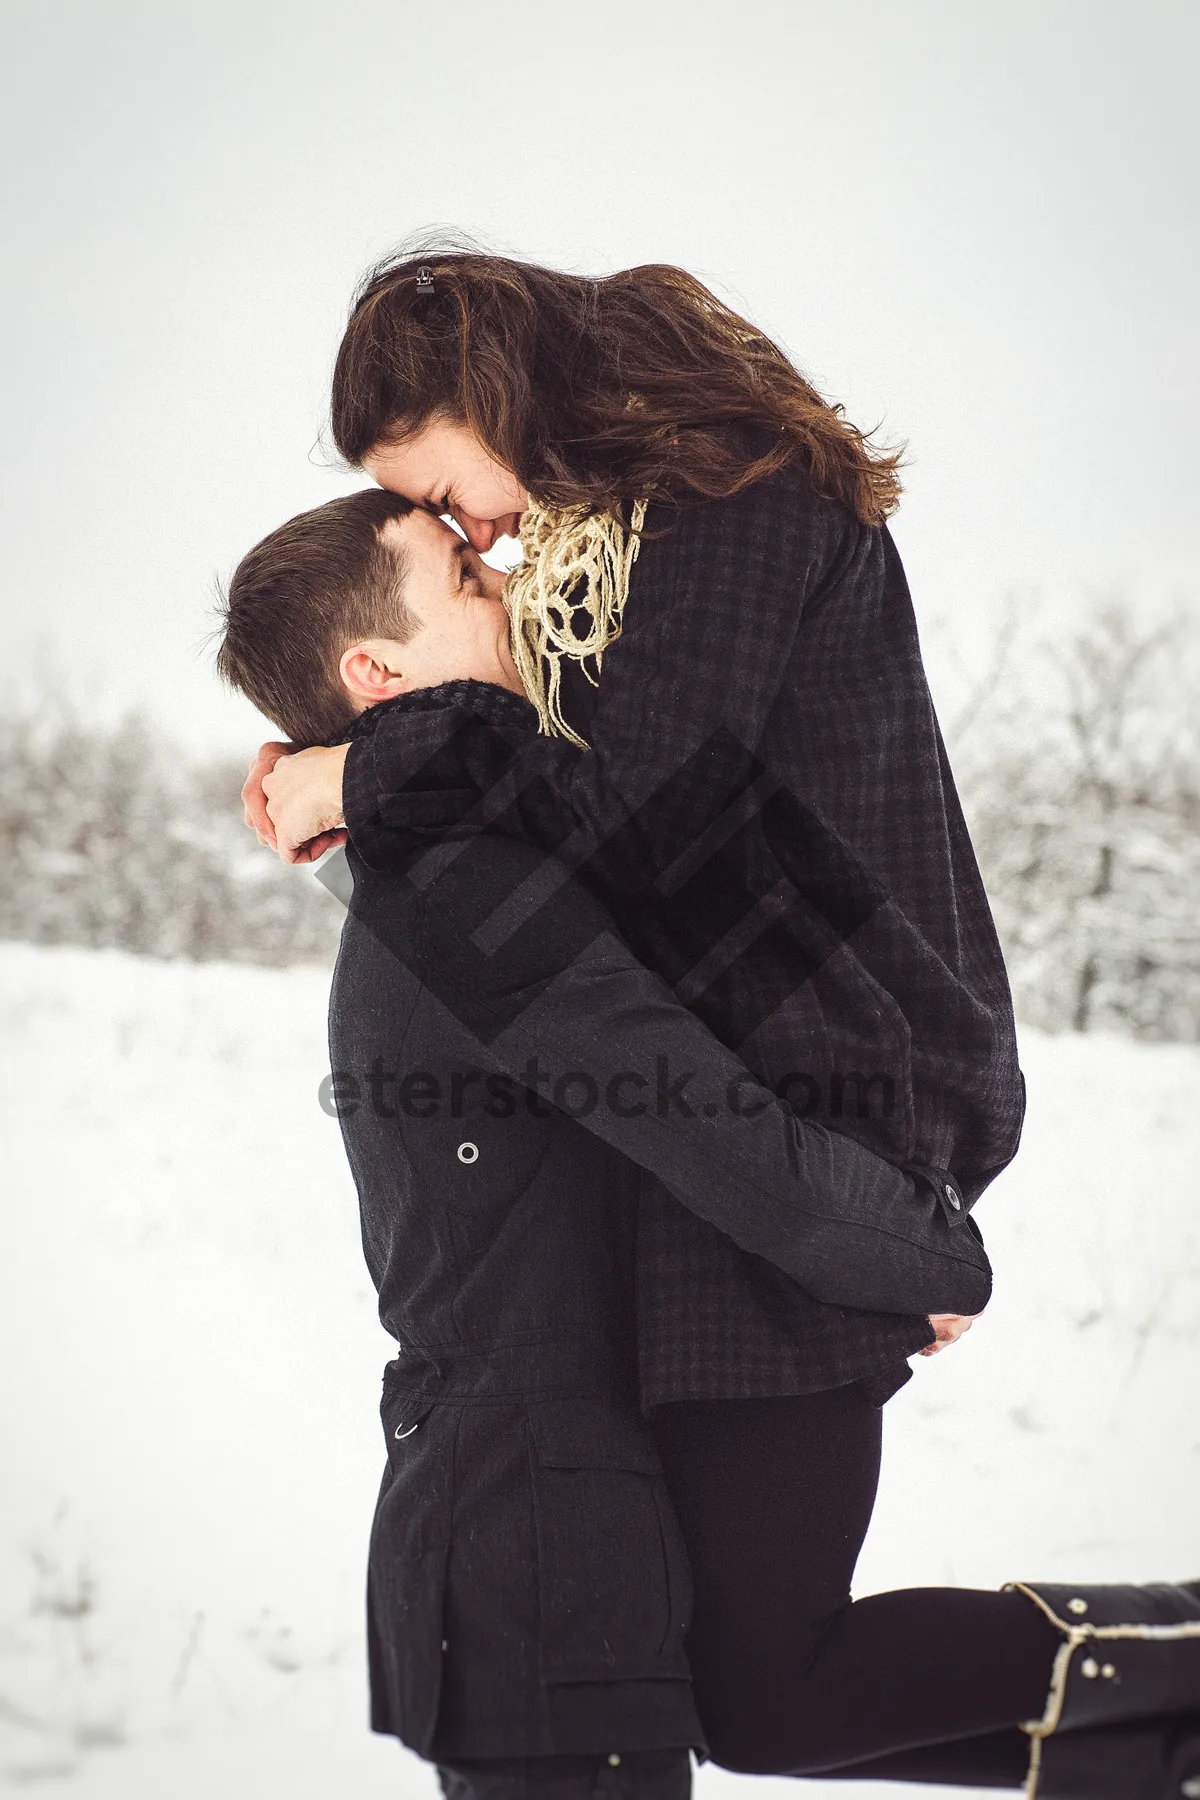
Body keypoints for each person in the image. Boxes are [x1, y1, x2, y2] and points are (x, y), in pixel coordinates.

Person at [240, 254, 1200, 1797]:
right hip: (752, 1102)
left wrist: (365, 772)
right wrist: (363, 744)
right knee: (752, 1696)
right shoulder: (613, 549)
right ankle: (1154, 1746)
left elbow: (624, 812)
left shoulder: (732, 507)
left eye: (446, 490)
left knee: (767, 1684)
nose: (478, 534)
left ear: (494, 396)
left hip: (842, 1088)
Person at [216, 487, 990, 1798]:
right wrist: (927, 1254)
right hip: (540, 1568)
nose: (509, 582)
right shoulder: (462, 882)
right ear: (374, 668)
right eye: (464, 577)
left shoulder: (462, 849)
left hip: (540, 1551)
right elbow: (719, 1135)